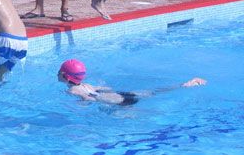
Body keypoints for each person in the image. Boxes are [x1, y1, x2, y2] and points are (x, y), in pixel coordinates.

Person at [58, 59, 207, 106]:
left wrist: (80, 105)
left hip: (115, 101)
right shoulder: (87, 85)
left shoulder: (72, 91)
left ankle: (184, 86)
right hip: (118, 94)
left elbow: (89, 98)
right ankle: (183, 85)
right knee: (153, 92)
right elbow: (102, 88)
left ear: (65, 76)